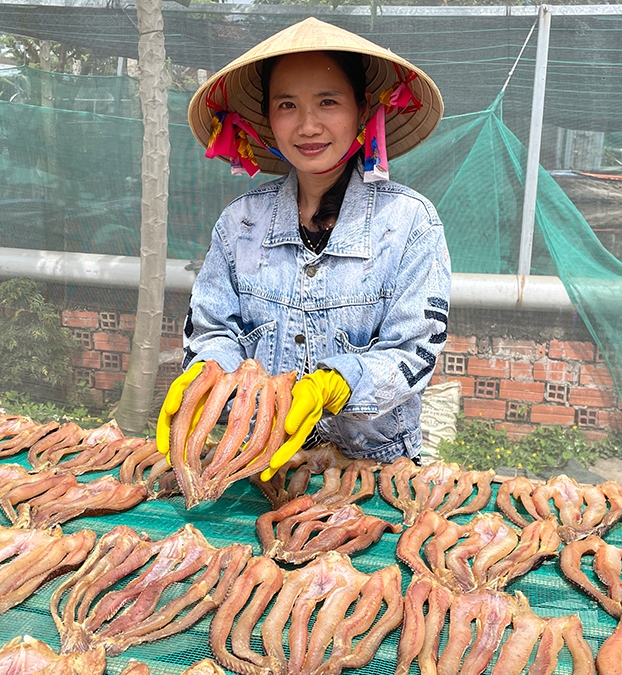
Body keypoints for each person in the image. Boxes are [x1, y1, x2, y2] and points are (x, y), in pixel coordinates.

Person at [157, 18, 450, 479]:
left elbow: (415, 351)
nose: (308, 125)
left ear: (361, 110)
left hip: (374, 473)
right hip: (259, 466)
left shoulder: (409, 223)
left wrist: (338, 383)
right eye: (287, 105)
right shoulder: (240, 224)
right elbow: (214, 330)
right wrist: (208, 374)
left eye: (328, 102)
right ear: (268, 120)